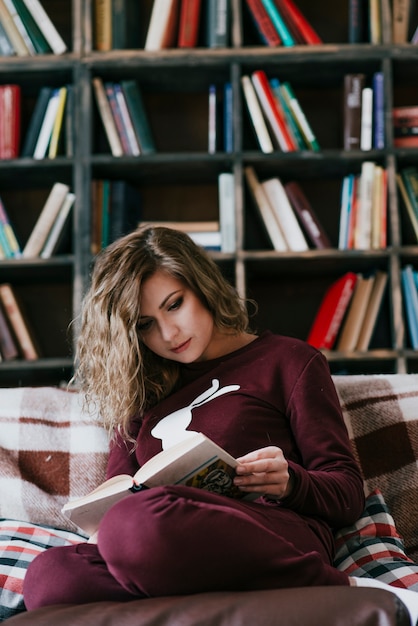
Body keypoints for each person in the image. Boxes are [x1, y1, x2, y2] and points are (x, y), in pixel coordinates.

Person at [23, 226, 418, 623]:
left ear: (202, 285)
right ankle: (199, 596)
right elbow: (120, 494)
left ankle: (339, 588)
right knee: (48, 576)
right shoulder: (141, 395)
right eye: (145, 325)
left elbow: (347, 491)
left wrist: (290, 482)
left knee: (136, 526)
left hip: (269, 528)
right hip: (161, 544)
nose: (169, 333)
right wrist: (102, 525)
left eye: (174, 305)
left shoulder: (289, 360)